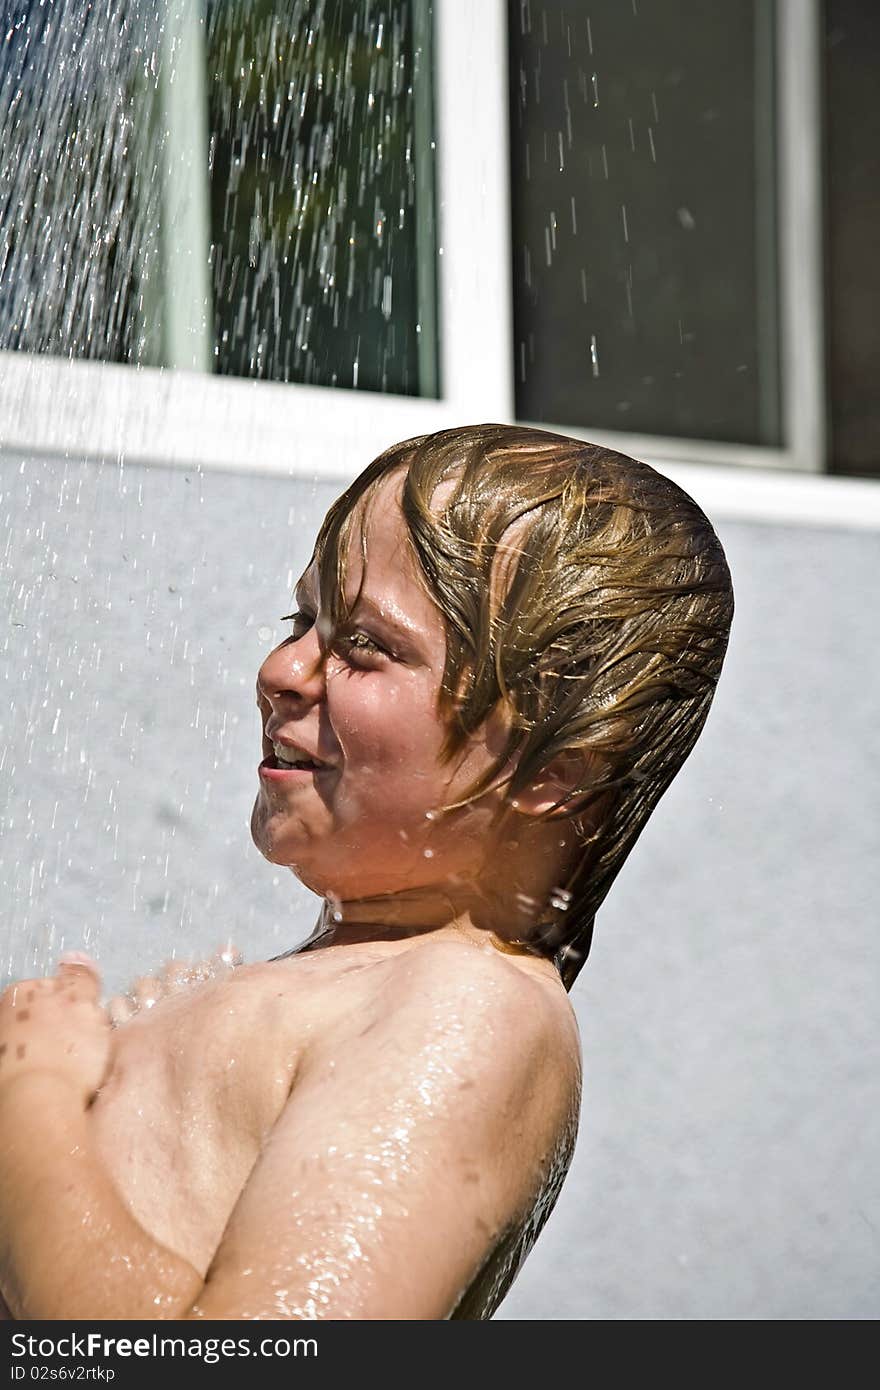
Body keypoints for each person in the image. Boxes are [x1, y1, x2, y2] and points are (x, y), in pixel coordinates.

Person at [0, 424, 734, 1320]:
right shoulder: (349, 988)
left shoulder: (470, 1011)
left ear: (552, 772)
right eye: (300, 621)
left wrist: (31, 1104)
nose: (280, 670)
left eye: (364, 646)